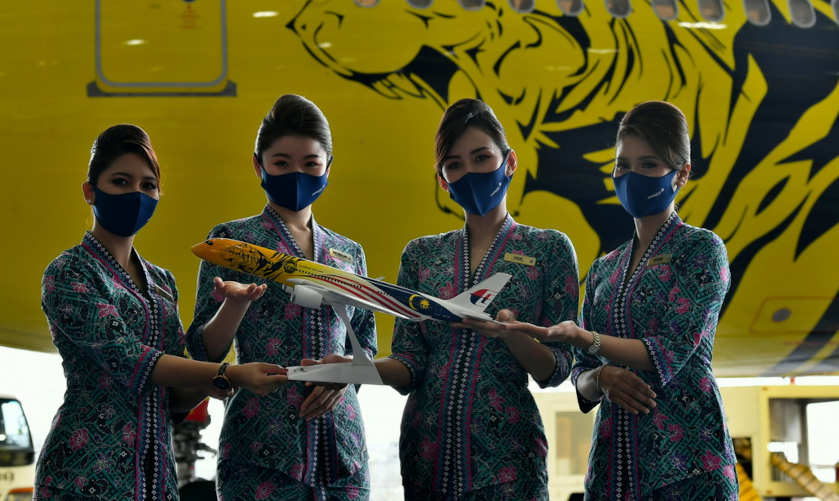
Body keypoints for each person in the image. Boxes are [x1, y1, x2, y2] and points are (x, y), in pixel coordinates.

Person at [37, 124, 287, 501]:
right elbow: (131, 360)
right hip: (84, 475)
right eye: (121, 181)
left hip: (156, 479)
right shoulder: (69, 271)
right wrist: (228, 372)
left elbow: (172, 396)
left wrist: (214, 379)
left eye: (147, 186)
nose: (136, 194)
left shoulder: (161, 281)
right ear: (90, 192)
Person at [506, 100, 738, 501]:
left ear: (680, 174)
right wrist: (600, 377)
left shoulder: (701, 249)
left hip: (687, 464)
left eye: (648, 165)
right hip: (613, 470)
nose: (632, 176)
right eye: (623, 166)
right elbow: (583, 374)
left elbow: (669, 350)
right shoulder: (603, 269)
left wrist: (584, 337)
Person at [353, 98, 580, 500]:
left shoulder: (549, 249)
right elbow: (409, 361)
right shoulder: (421, 254)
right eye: (455, 165)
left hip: (510, 460)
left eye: (481, 158)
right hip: (426, 456)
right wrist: (356, 370)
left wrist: (509, 334)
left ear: (509, 162)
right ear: (443, 180)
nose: (470, 172)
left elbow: (557, 369)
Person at [186, 94, 376, 500]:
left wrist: (345, 374)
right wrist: (234, 305)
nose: (297, 174)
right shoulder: (232, 242)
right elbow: (205, 350)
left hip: (343, 448)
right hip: (260, 446)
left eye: (310, 164)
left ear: (328, 167)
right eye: (281, 163)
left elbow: (367, 346)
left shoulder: (349, 253)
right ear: (259, 165)